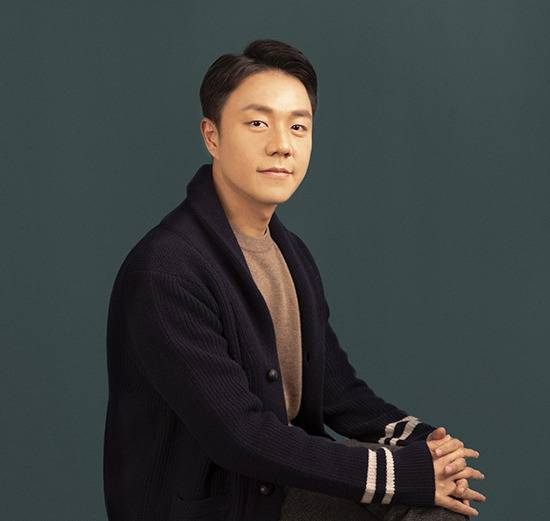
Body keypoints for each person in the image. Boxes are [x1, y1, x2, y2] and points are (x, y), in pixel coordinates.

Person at [103, 39, 486, 521]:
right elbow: (240, 435)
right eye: (258, 123)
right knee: (420, 502)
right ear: (211, 136)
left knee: (438, 505)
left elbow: (339, 393)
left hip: (277, 491)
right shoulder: (166, 271)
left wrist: (427, 445)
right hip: (217, 507)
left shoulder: (291, 253)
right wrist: (399, 474)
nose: (282, 144)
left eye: (298, 126)